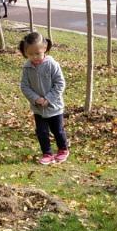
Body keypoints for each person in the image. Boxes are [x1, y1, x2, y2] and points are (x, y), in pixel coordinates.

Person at [19, 32, 68, 165]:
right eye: (30, 54)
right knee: (41, 132)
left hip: (54, 107)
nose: (34, 57)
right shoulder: (27, 67)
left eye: (37, 53)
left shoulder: (52, 65)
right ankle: (47, 153)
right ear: (25, 52)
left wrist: (48, 99)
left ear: (45, 48)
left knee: (58, 130)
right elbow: (24, 86)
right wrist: (36, 99)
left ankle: (63, 149)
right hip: (38, 108)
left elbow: (60, 84)